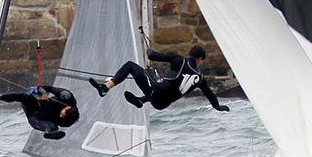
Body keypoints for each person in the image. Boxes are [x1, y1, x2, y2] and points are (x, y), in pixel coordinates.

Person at [89, 45, 230, 113]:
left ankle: (105, 88)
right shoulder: (200, 78)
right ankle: (140, 100)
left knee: (130, 66)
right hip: (161, 104)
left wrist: (148, 48)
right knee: (160, 84)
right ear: (200, 59)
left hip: (156, 93)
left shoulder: (179, 60)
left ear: (190, 54)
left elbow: (152, 56)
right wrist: (217, 107)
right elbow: (210, 95)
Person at [0, 85, 79, 140]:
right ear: (67, 107)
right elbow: (49, 88)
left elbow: (64, 119)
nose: (60, 115)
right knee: (24, 97)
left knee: (52, 126)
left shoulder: (67, 122)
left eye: (62, 116)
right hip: (39, 106)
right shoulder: (66, 96)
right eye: (62, 113)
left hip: (36, 118)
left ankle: (49, 133)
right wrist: (42, 92)